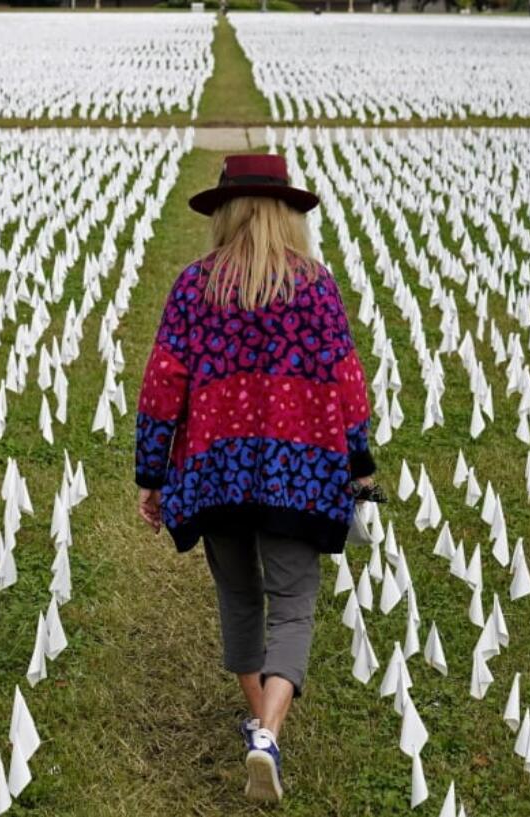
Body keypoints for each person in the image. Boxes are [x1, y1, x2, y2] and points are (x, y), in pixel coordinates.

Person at [134, 154, 376, 804]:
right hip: (298, 472)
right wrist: (357, 461)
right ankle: (266, 730)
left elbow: (162, 387)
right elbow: (348, 383)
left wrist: (151, 474)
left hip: (216, 473)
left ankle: (259, 724)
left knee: (239, 597)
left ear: (227, 213)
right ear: (286, 214)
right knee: (293, 604)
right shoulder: (315, 286)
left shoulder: (194, 287)